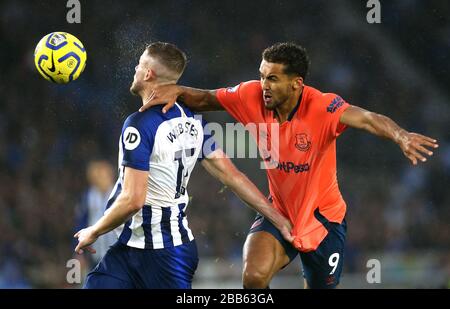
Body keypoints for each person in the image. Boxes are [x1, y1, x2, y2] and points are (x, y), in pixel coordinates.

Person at [139, 42, 439, 289]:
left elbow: (368, 118)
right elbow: (205, 99)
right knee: (253, 278)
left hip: (324, 219)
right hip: (278, 211)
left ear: (296, 84)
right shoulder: (250, 95)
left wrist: (400, 135)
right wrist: (176, 91)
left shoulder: (322, 106)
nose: (263, 85)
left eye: (272, 79)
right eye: (261, 75)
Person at [73, 42, 293, 289]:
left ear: (148, 74)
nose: (135, 69)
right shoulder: (193, 121)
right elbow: (233, 177)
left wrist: (93, 230)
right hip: (130, 250)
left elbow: (133, 199)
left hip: (163, 256)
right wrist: (277, 217)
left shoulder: (138, 124)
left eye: (139, 65)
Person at [74, 160, 117, 274]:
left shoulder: (119, 194)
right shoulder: (88, 196)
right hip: (95, 252)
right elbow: (81, 223)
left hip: (117, 250)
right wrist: (79, 252)